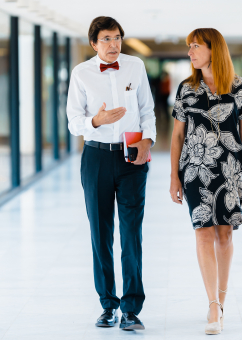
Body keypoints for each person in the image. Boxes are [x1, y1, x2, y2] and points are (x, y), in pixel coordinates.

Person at [67, 16, 156, 331]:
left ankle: (131, 308)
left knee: (132, 234)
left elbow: (147, 110)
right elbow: (73, 121)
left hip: (132, 158)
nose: (113, 44)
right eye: (106, 39)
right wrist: (96, 120)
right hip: (96, 158)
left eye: (117, 38)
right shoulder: (81, 73)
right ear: (94, 43)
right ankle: (108, 305)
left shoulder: (135, 67)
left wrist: (148, 140)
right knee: (100, 234)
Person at [169, 28, 242, 335]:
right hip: (195, 171)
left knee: (224, 235)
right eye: (189, 47)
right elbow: (178, 136)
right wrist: (173, 176)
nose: (190, 51)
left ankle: (220, 301)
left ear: (213, 49)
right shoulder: (186, 88)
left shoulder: (238, 87)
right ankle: (212, 305)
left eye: (195, 46)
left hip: (231, 170)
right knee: (203, 233)